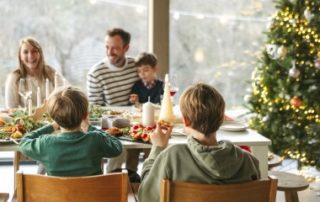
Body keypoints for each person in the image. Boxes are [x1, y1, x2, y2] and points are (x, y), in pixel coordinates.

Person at [138, 83, 261, 202]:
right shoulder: (249, 161)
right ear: (221, 119)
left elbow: (146, 197)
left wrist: (158, 148)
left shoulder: (173, 157)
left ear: (185, 121)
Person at [19, 86, 123, 177]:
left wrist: (51, 126)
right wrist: (89, 128)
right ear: (85, 116)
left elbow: (23, 142)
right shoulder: (95, 139)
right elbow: (118, 147)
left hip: (56, 198)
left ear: (53, 117)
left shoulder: (45, 143)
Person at [87, 28, 140, 180]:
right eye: (107, 47)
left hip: (134, 120)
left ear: (126, 48)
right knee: (119, 147)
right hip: (108, 123)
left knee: (148, 143)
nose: (110, 52)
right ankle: (110, 179)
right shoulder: (96, 73)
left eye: (115, 48)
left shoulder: (135, 67)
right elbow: (95, 111)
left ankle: (132, 178)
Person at [5, 36, 65, 109]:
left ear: (40, 54)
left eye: (34, 51)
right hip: (26, 119)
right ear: (20, 56)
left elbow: (65, 94)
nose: (30, 56)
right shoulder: (14, 78)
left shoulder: (51, 73)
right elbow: (11, 109)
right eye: (25, 52)